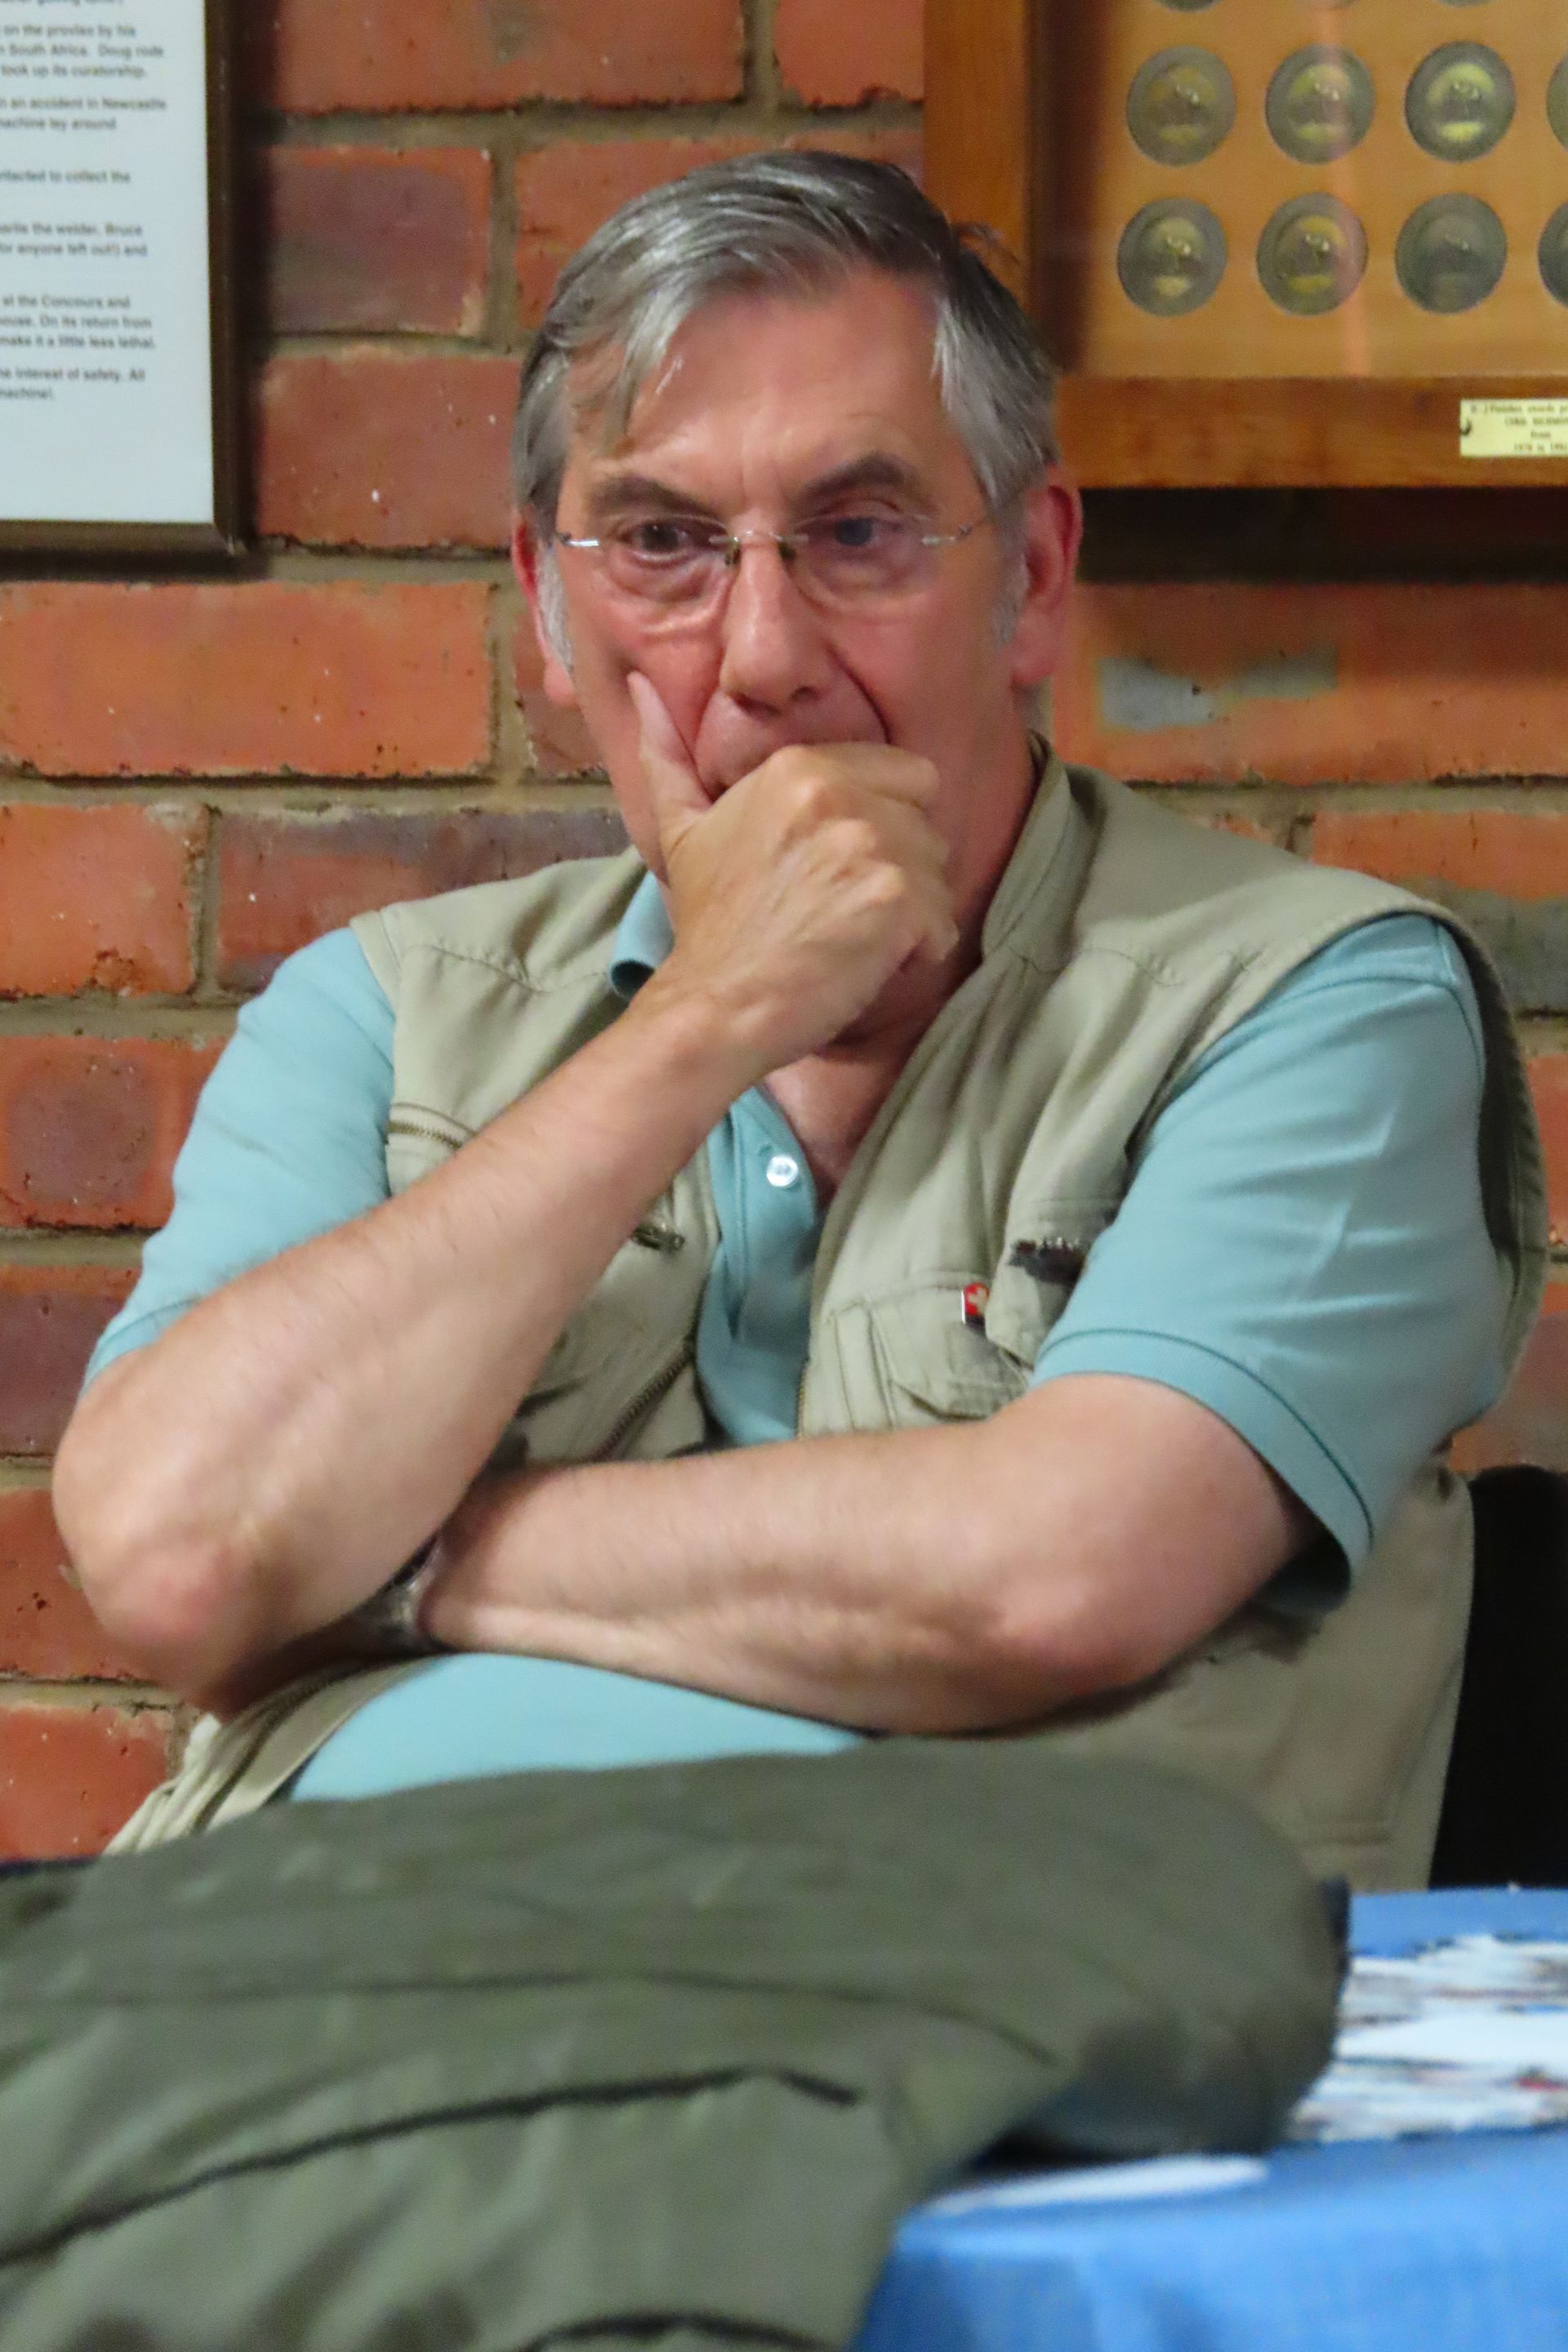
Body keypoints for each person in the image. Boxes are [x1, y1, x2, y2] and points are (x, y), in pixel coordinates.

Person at [53, 153, 1544, 1884]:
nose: (760, 652)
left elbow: (1054, 1574)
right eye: (665, 544)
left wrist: (399, 1560)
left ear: (1036, 578)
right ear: (548, 604)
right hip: (337, 2048)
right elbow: (172, 1557)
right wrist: (702, 1017)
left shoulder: (1308, 998)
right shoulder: (379, 1013)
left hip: (1002, 2071)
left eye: (858, 533)